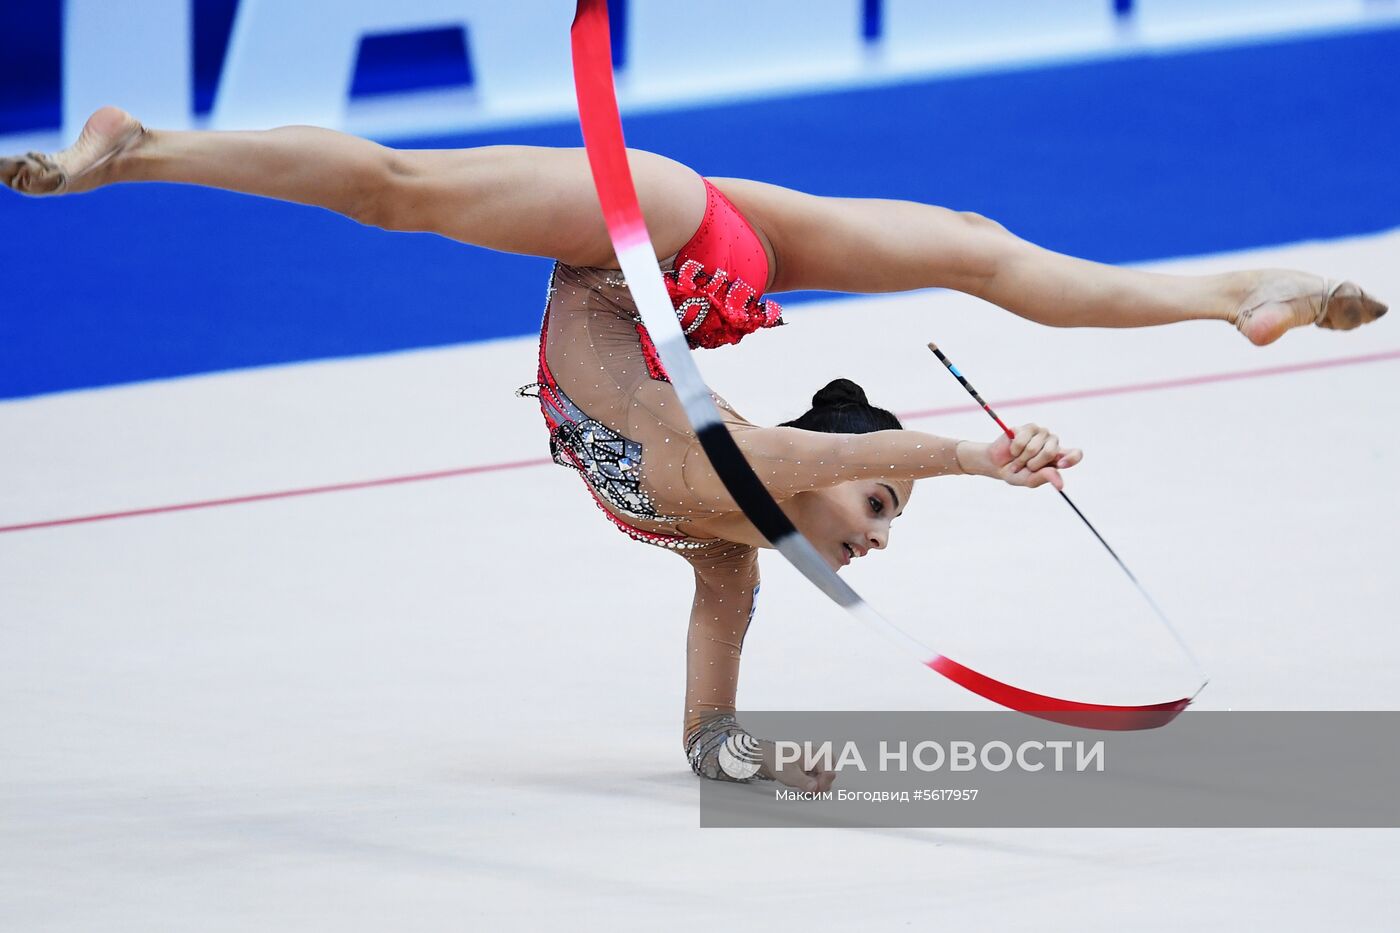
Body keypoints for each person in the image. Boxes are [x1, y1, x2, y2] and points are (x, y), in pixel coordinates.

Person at [3, 108, 1386, 791]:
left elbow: (706, 730)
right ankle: (141, 151)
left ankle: (1244, 294)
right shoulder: (739, 466)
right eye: (882, 502)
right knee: (398, 190)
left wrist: (746, 758)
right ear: (829, 468)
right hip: (650, 242)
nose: (879, 534)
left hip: (692, 263)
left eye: (885, 515)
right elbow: (781, 453)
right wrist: (973, 457)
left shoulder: (725, 551)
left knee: (982, 248)